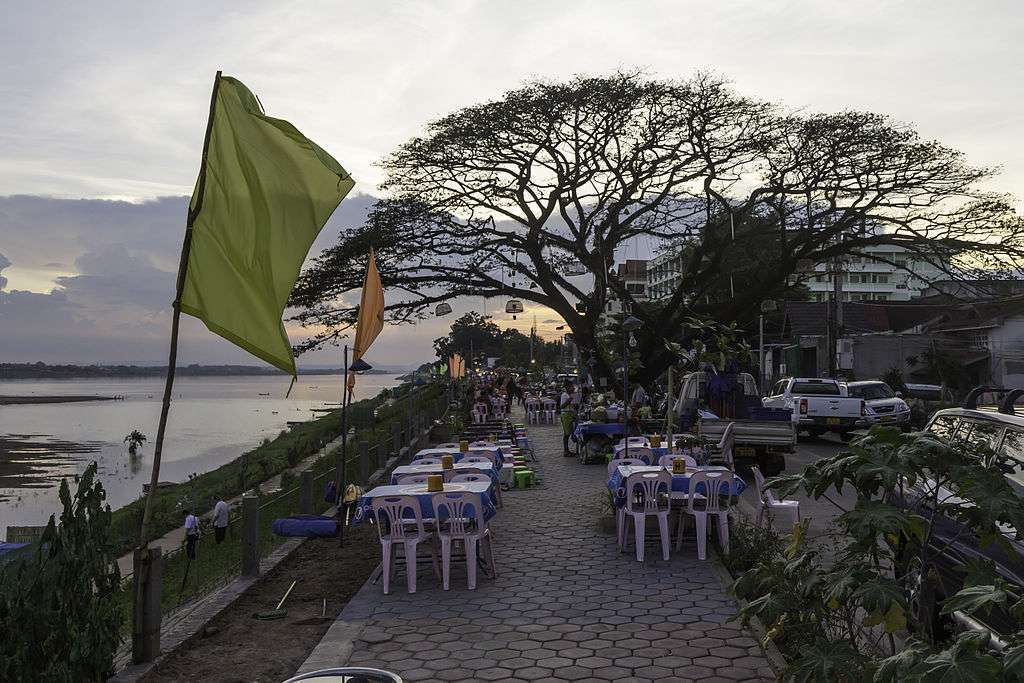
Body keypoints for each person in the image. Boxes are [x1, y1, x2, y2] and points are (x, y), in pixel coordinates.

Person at [559, 382, 577, 457]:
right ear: (567, 387)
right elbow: (562, 406)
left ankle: (570, 450)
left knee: (571, 432)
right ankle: (566, 451)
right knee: (566, 434)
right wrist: (569, 400)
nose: (573, 388)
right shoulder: (564, 395)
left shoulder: (570, 395)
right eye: (571, 386)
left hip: (571, 414)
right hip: (566, 415)